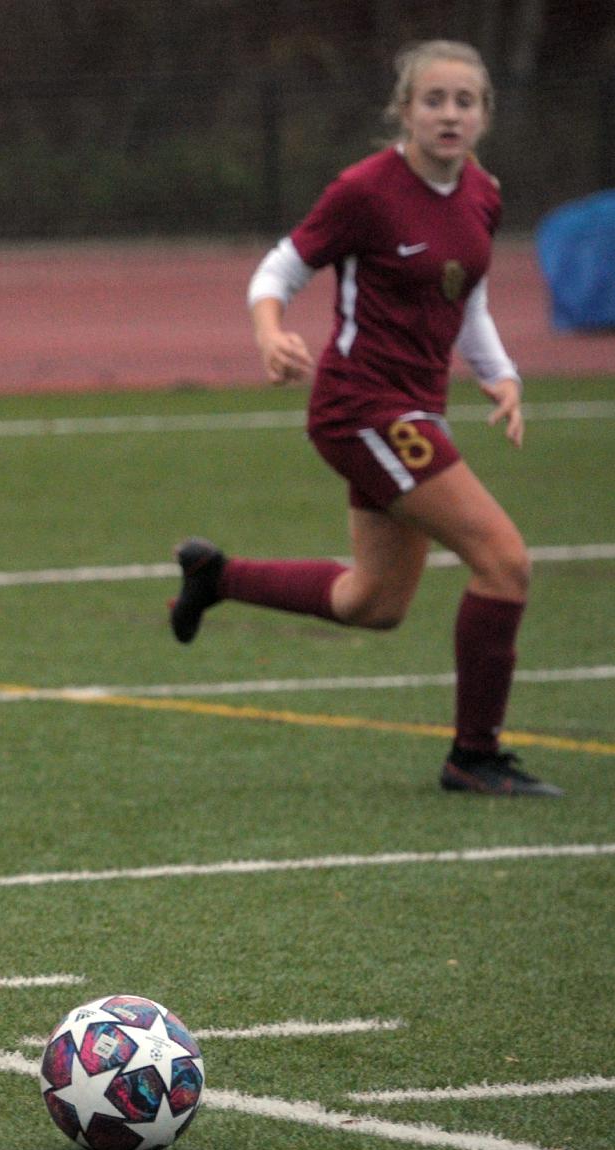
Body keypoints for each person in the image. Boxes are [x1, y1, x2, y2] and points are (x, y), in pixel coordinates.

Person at [170, 40, 560, 797]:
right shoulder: (366, 190)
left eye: (465, 101)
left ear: (484, 114)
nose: (450, 114)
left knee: (372, 604)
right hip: (362, 407)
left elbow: (467, 298)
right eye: (435, 100)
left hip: (416, 407)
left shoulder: (482, 193)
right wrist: (269, 329)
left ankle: (217, 577)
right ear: (405, 110)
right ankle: (474, 757)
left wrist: (501, 374)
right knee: (505, 560)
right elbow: (281, 268)